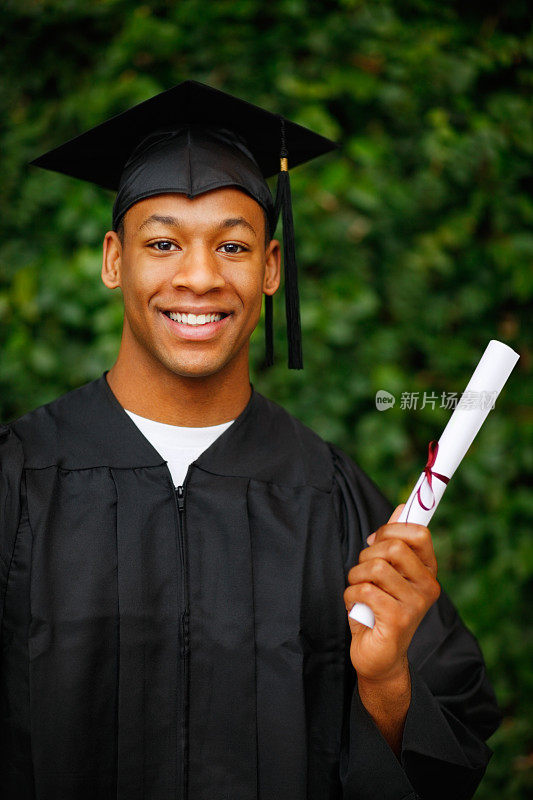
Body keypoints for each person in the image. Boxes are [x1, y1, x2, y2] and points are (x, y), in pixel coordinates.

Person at [0, 81, 501, 800]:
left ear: (269, 268)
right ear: (115, 261)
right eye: (163, 242)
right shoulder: (20, 479)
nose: (199, 276)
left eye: (231, 245)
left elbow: (450, 743)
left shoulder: (327, 499)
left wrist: (387, 681)